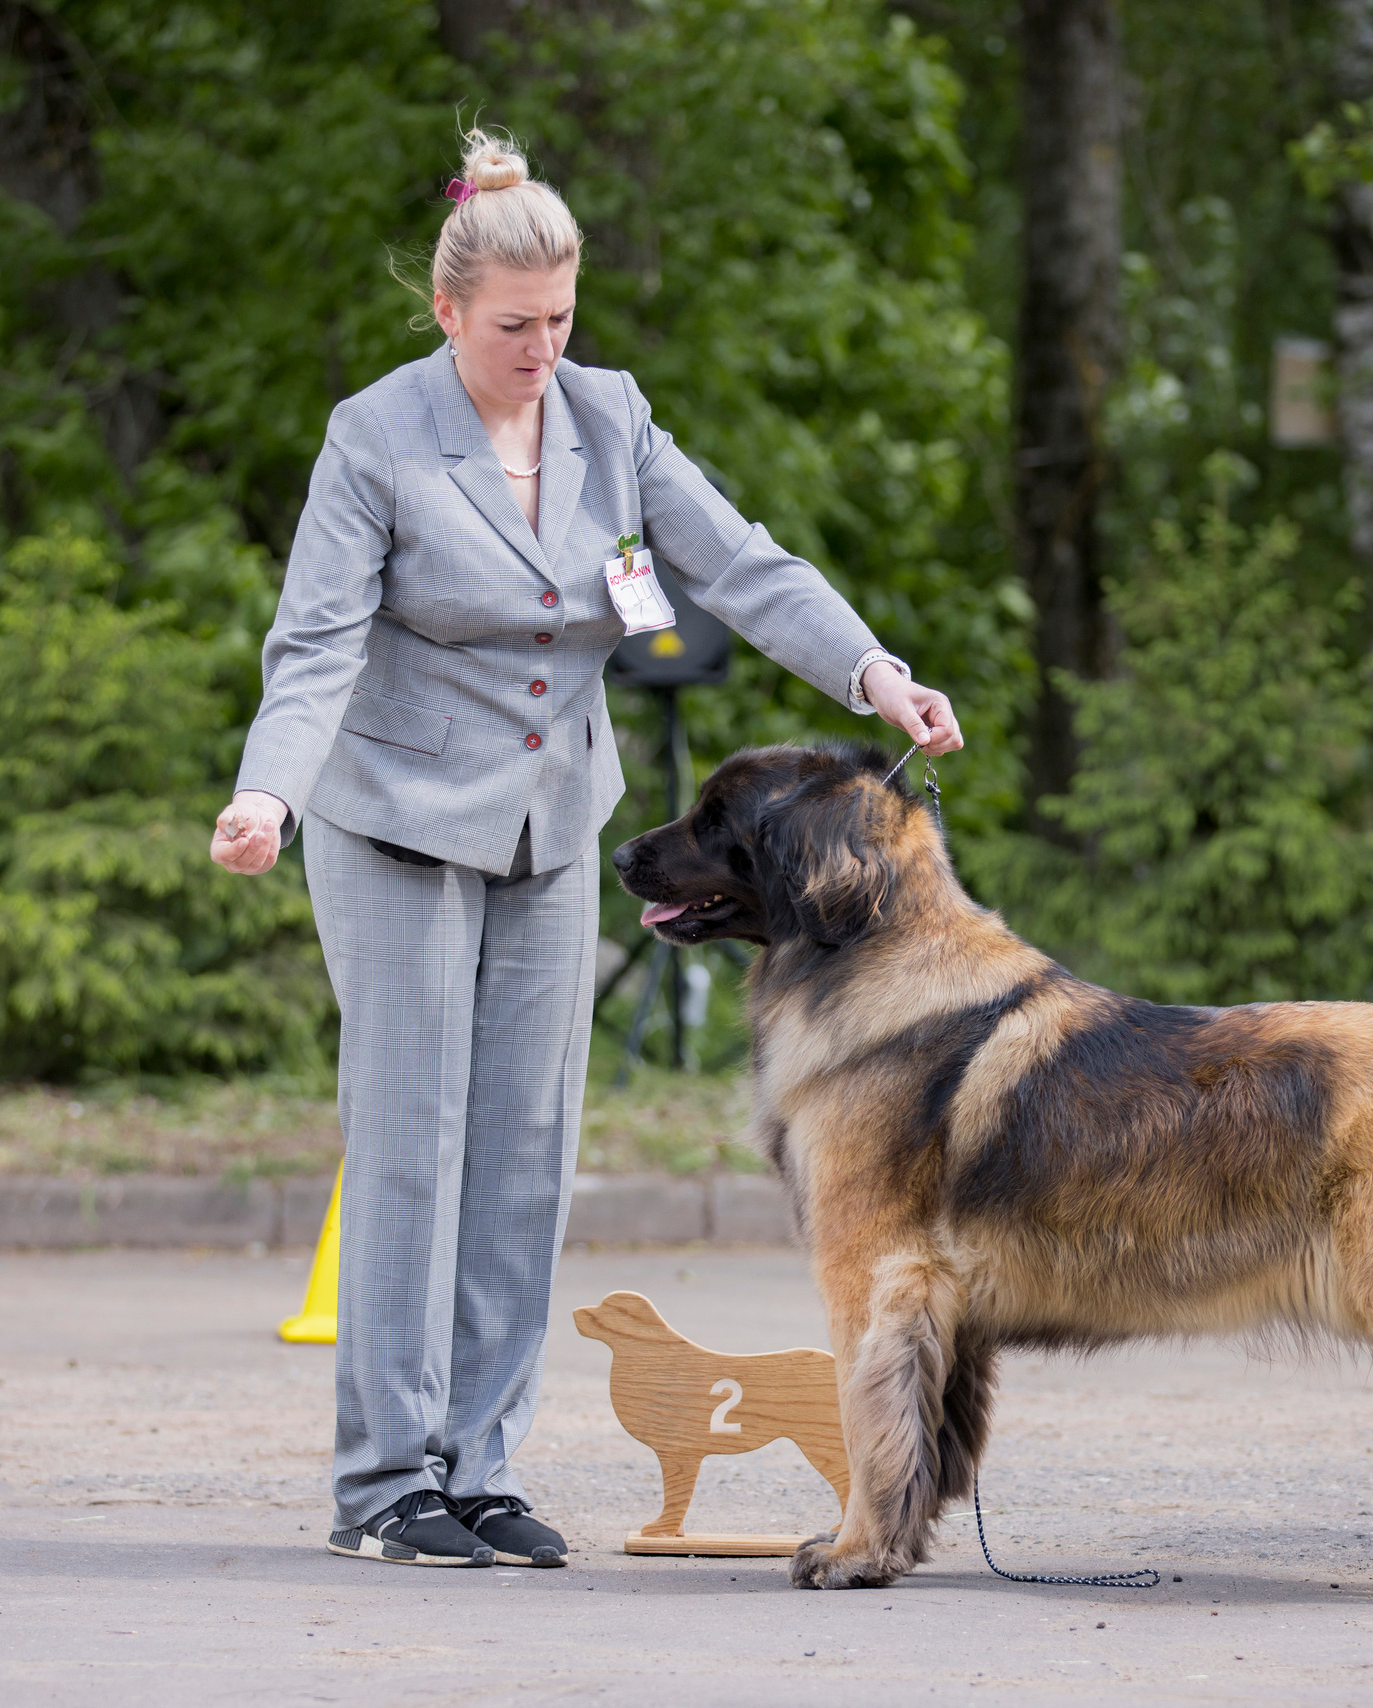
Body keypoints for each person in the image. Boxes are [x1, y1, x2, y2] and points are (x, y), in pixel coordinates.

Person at [208, 127, 963, 1570]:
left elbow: (741, 564)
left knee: (531, 1153)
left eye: (559, 320)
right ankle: (385, 1485)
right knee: (415, 1147)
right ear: (448, 315)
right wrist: (270, 796)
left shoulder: (613, 420)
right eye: (511, 328)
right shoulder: (376, 437)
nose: (540, 348)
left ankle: (481, 1470)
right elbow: (310, 647)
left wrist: (874, 673)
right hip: (393, 822)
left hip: (553, 826)